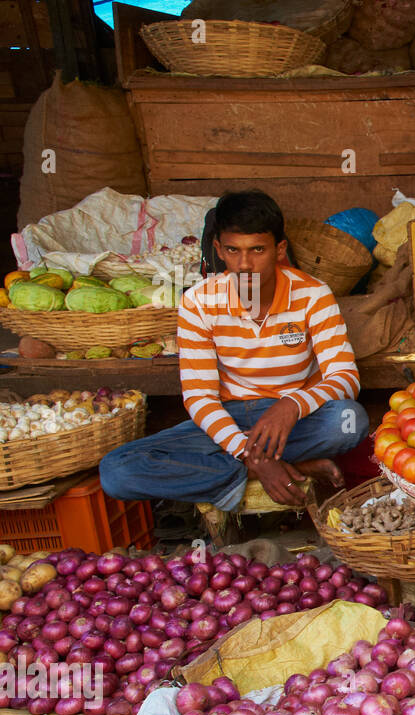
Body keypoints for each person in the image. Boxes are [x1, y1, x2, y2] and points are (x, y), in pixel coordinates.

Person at [100, 190, 365, 511]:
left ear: (279, 249)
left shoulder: (313, 294)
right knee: (117, 471)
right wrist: (247, 453)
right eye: (232, 250)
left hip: (293, 421)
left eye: (257, 250)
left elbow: (345, 377)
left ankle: (234, 470)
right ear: (218, 250)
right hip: (228, 418)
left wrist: (291, 406)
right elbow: (200, 398)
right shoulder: (199, 302)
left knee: (349, 420)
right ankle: (262, 469)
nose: (244, 264)